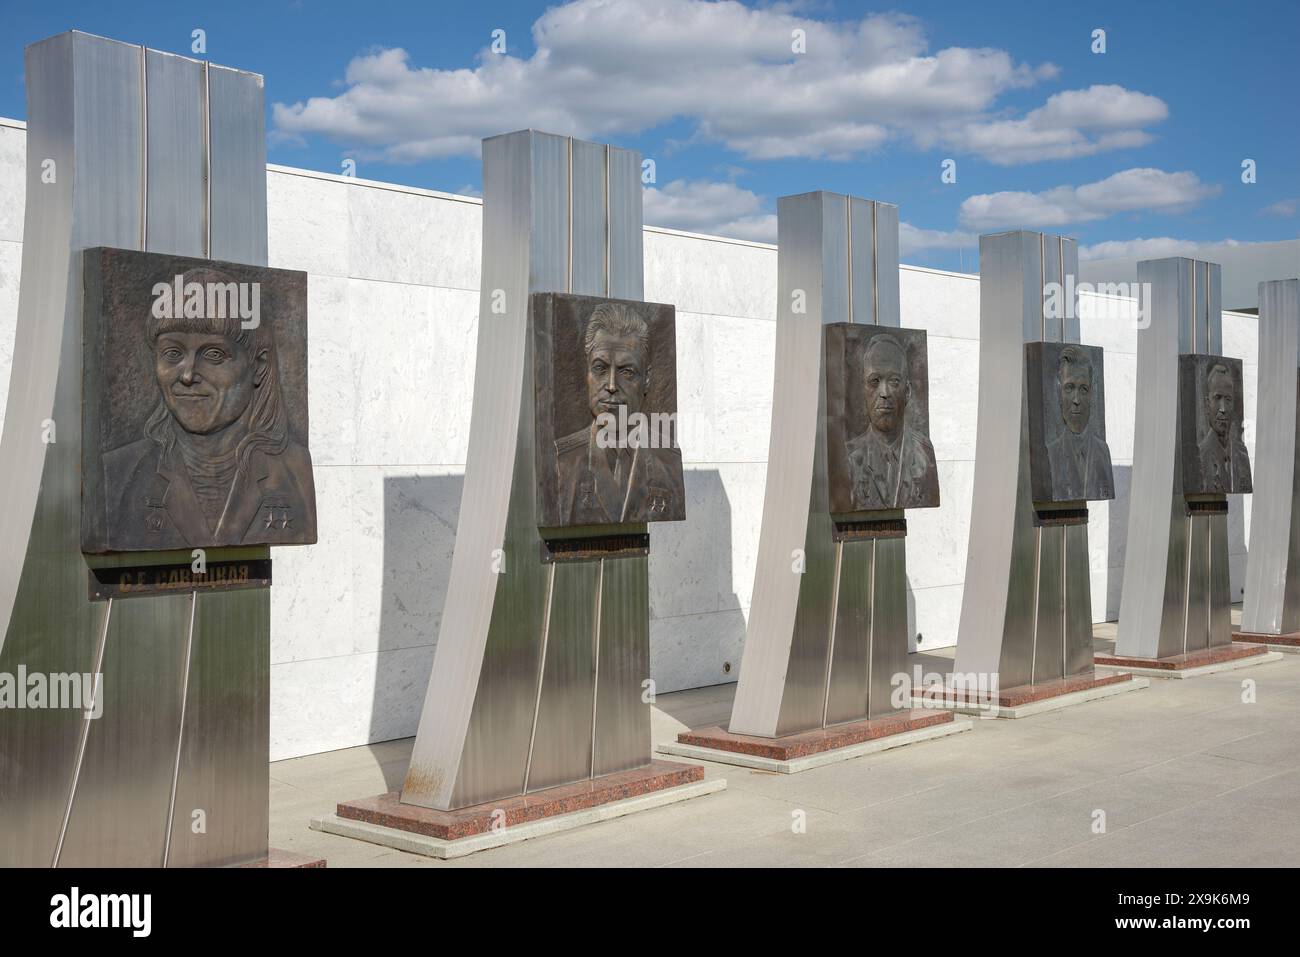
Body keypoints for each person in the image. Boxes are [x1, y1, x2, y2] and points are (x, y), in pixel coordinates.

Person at [104, 265, 316, 548]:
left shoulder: (295, 472)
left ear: (258, 366)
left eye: (214, 354)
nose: (188, 374)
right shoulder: (118, 475)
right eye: (172, 353)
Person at [554, 301, 684, 524]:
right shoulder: (563, 462)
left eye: (627, 371)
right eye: (600, 368)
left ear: (647, 380)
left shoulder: (668, 461)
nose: (612, 385)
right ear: (587, 374)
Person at [846, 333, 938, 509]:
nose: (884, 392)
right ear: (863, 390)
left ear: (908, 391)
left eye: (894, 381)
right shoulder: (849, 458)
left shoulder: (925, 455)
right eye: (875, 381)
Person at [1045, 344, 1113, 500]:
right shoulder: (1051, 454)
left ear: (1091, 394)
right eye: (1069, 388)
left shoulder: (1103, 453)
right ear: (1058, 392)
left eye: (1083, 389)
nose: (1076, 400)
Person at [1197, 360, 1252, 493]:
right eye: (1217, 398)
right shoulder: (1199, 458)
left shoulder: (1242, 456)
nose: (1223, 409)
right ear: (1207, 404)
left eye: (1227, 400)